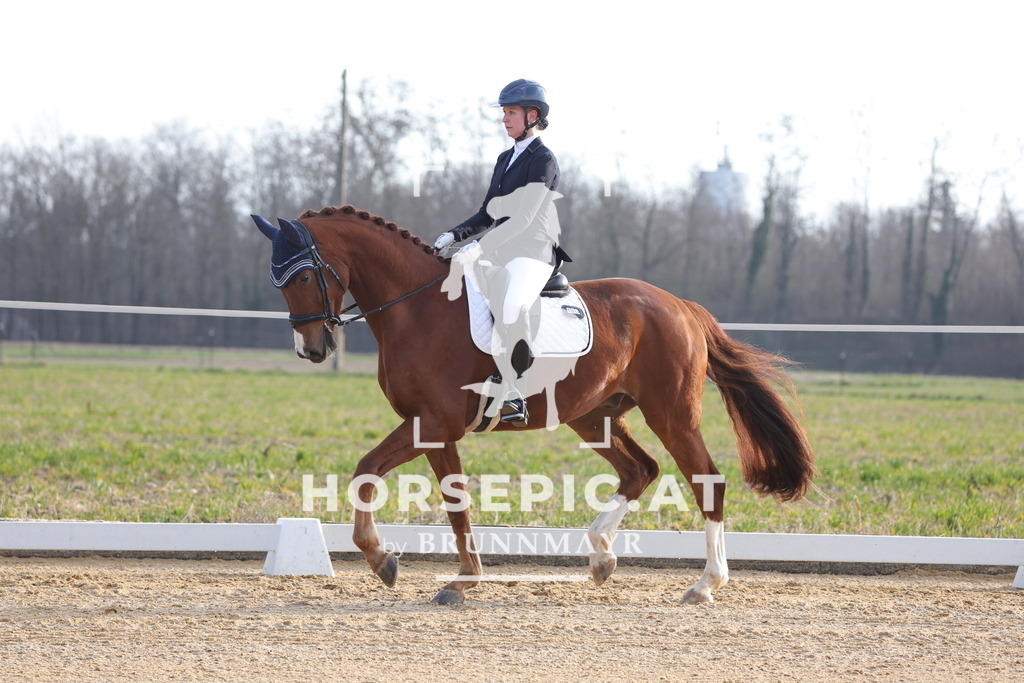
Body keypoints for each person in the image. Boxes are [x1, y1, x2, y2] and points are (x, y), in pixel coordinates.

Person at [434, 79, 568, 424]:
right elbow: (487, 214)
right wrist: (453, 235)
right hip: (500, 251)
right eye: (505, 113)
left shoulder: (544, 161)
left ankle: (515, 391)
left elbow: (524, 218)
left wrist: (478, 247)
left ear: (532, 116)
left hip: (533, 253)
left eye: (511, 113)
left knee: (511, 305)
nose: (504, 119)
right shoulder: (505, 158)